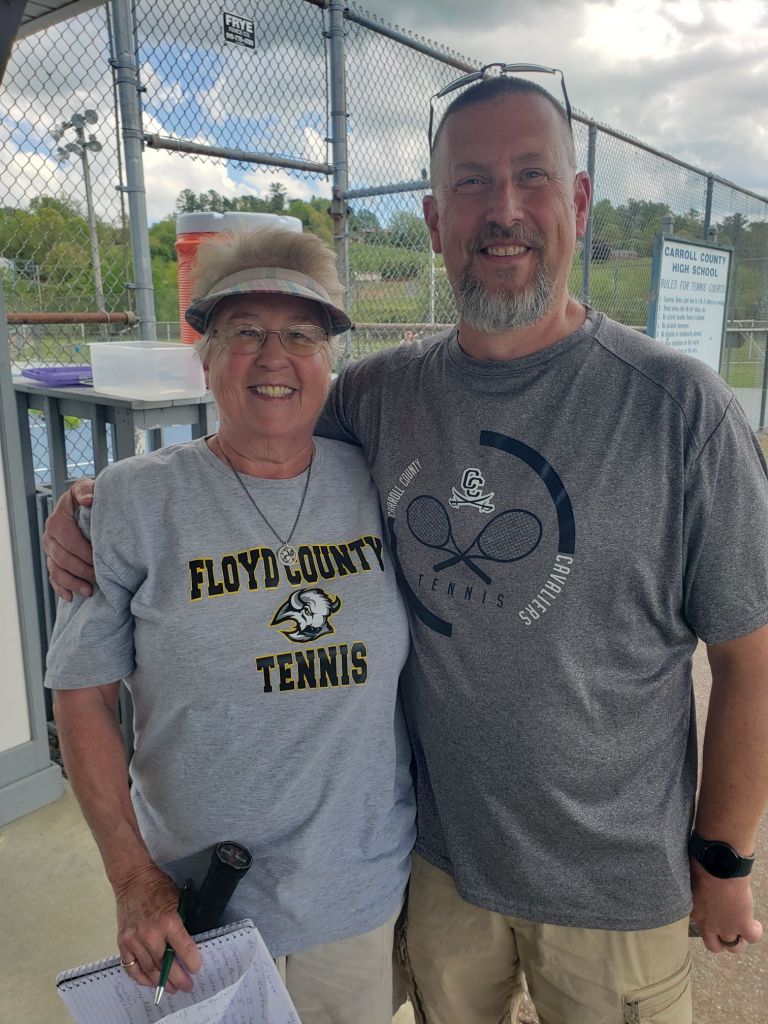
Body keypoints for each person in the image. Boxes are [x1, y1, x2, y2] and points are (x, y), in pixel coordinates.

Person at [45, 74, 768, 1024]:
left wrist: (724, 857)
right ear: (433, 219)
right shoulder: (376, 400)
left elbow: (750, 660)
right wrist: (89, 502)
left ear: (581, 201)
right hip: (438, 870)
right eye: (471, 182)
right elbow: (256, 445)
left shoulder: (681, 409)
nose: (503, 209)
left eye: (532, 176)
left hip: (611, 887)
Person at [44, 226, 415, 1024]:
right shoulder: (133, 500)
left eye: (302, 335)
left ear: (329, 360)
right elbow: (82, 696)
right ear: (205, 357)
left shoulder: (379, 479)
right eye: (245, 331)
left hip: (357, 897)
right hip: (199, 908)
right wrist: (132, 879)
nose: (274, 357)